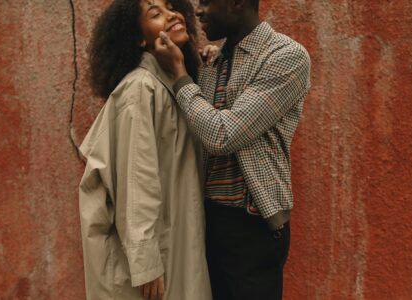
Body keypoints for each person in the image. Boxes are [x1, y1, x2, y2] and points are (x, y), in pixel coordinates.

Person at [154, 0, 311, 298]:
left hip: (250, 227)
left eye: (206, 2)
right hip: (205, 219)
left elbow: (222, 135)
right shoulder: (216, 60)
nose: (197, 11)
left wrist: (179, 74)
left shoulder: (286, 56)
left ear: (237, 3)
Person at [78, 0, 212, 299]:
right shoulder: (141, 89)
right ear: (140, 38)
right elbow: (136, 185)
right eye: (155, 13)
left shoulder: (171, 83)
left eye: (170, 7)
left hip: (174, 239)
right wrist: (146, 262)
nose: (171, 15)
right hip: (152, 259)